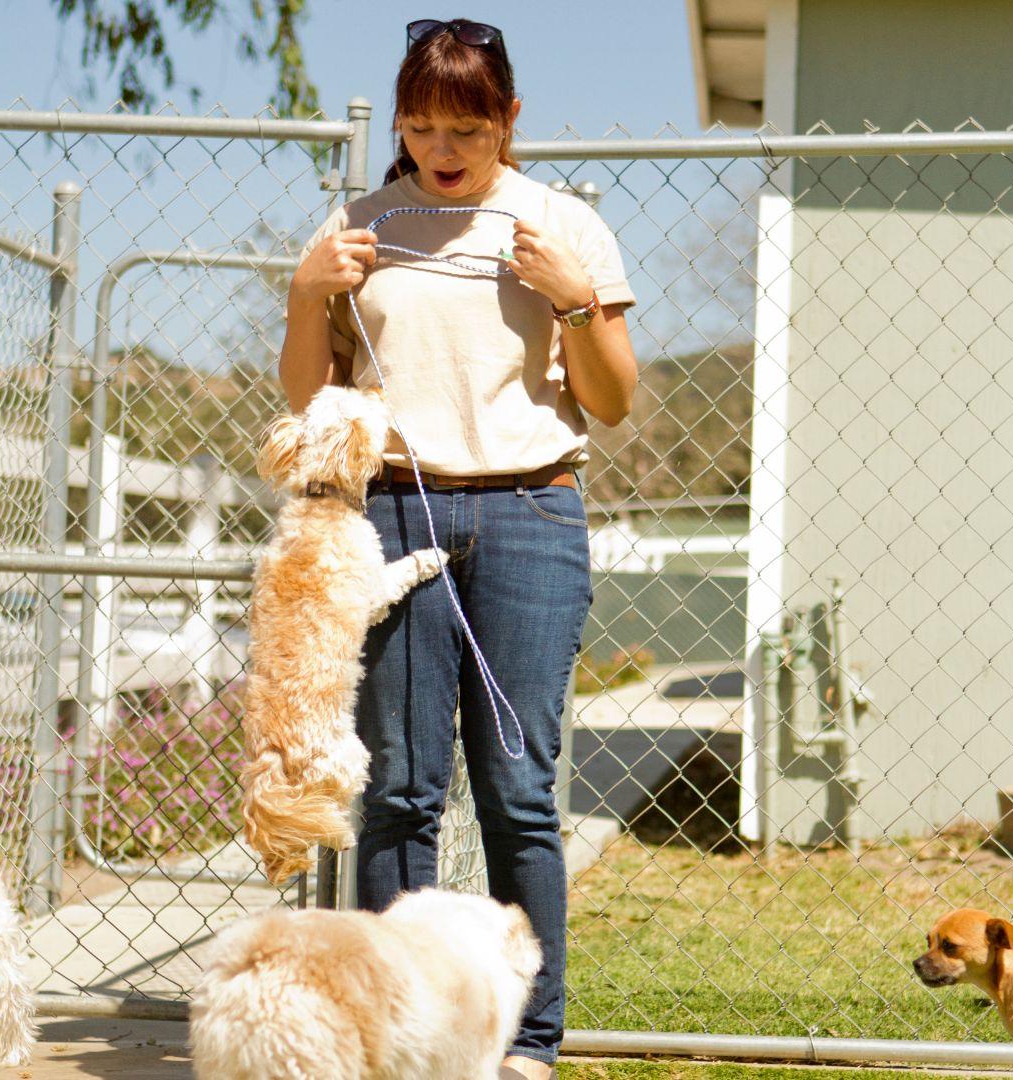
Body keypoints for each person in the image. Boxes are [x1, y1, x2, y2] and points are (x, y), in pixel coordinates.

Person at [278, 18, 637, 1079]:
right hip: (394, 514)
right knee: (397, 792)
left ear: (509, 119)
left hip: (533, 518)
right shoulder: (360, 225)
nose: (443, 146)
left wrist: (572, 298)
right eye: (422, 125)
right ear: (399, 122)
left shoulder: (562, 228)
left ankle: (529, 1041)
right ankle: (404, 1036)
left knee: (520, 791)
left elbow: (612, 403)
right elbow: (310, 397)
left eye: (467, 128)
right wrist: (309, 291)